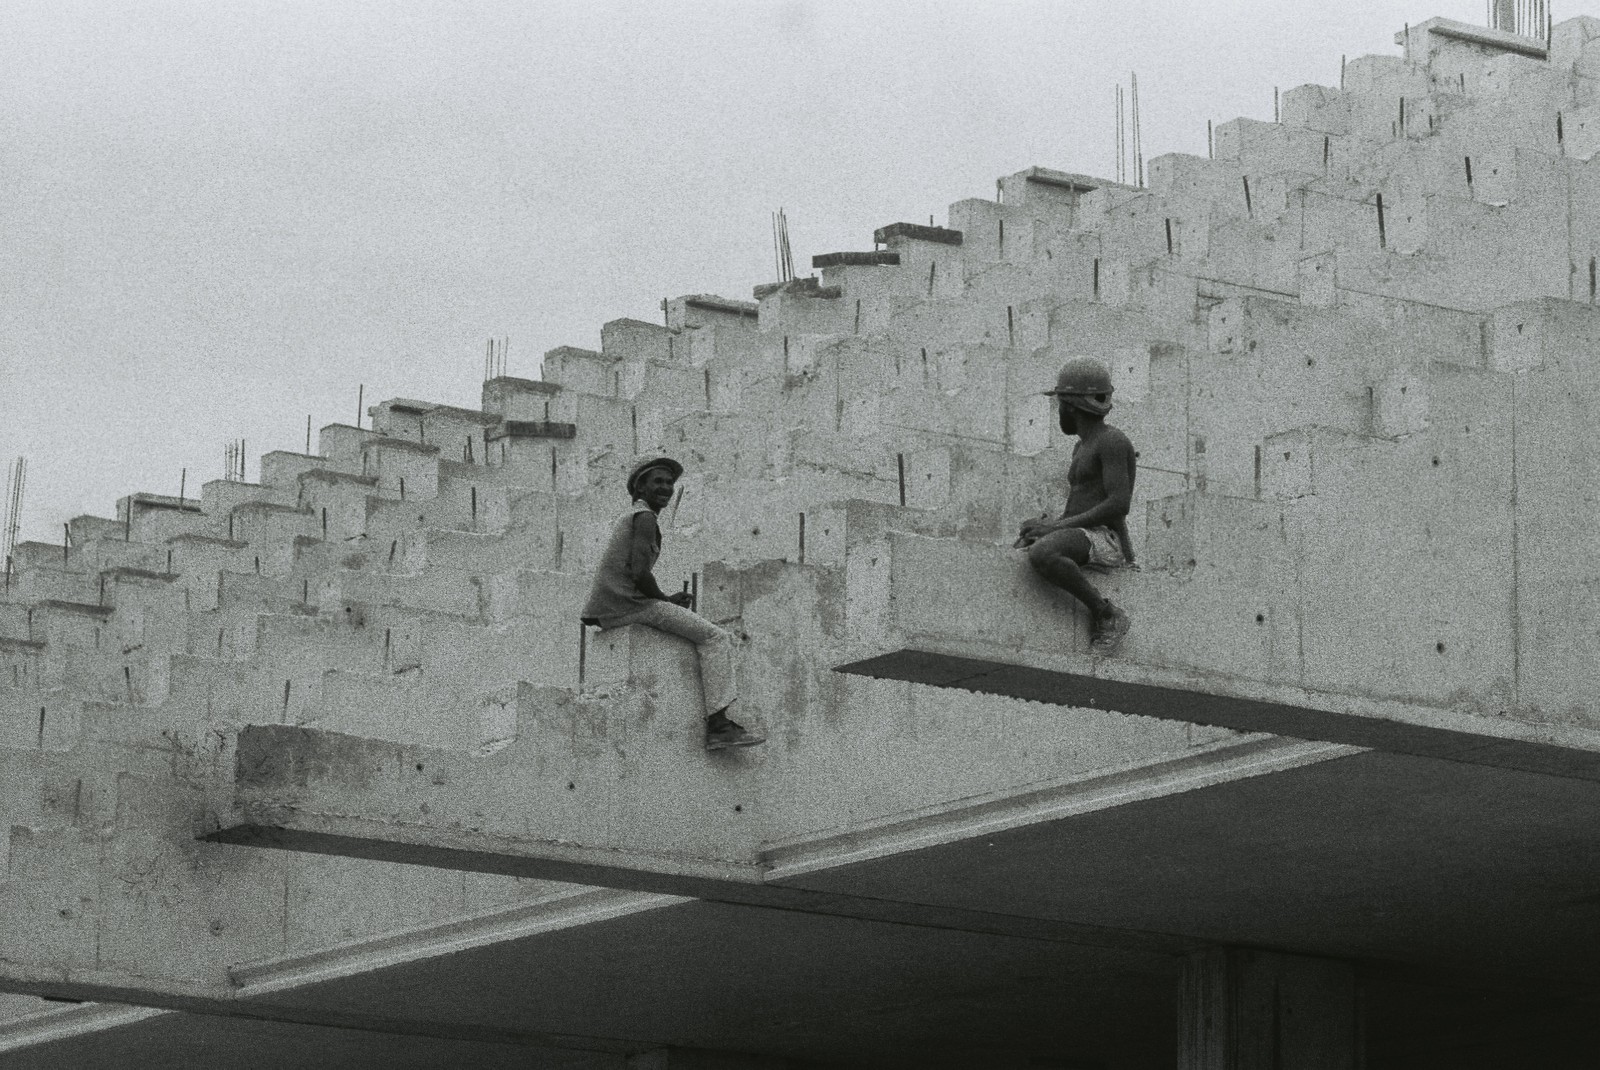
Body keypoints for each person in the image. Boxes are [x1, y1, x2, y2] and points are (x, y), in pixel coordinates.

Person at [581, 457, 764, 751]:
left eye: (669, 482)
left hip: (612, 609)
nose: (665, 488)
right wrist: (665, 601)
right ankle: (719, 725)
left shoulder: (634, 517)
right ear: (640, 486)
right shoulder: (645, 517)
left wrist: (667, 600)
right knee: (716, 637)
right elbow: (639, 573)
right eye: (658, 482)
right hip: (629, 605)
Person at [1015, 357, 1136, 654]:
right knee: (1030, 542)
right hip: (1083, 534)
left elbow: (1118, 505)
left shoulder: (1112, 441)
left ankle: (1107, 614)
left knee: (1044, 553)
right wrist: (1044, 527)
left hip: (1100, 537)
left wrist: (1054, 530)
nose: (1059, 412)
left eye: (1060, 405)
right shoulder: (1082, 446)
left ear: (1070, 406)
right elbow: (1085, 503)